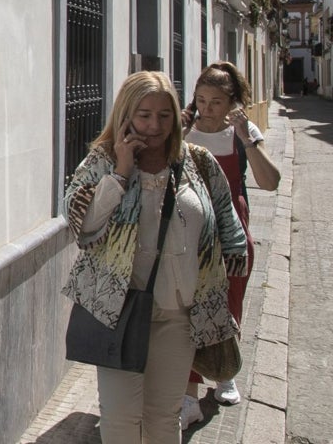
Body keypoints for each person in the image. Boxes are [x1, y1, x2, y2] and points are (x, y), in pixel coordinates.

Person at [64, 71, 248, 443]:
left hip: (179, 314)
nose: (154, 125)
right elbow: (82, 226)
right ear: (126, 114)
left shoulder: (197, 161)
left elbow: (224, 213)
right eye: (144, 115)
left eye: (164, 115)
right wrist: (120, 172)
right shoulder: (103, 159)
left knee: (165, 418)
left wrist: (233, 253)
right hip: (119, 311)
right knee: (120, 420)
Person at [178, 62, 281, 425]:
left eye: (216, 102)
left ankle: (225, 372)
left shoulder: (243, 133)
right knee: (189, 306)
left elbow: (270, 182)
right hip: (191, 230)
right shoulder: (185, 130)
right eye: (202, 100)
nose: (207, 108)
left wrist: (247, 136)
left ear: (232, 102)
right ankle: (188, 395)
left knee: (230, 298)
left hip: (233, 232)